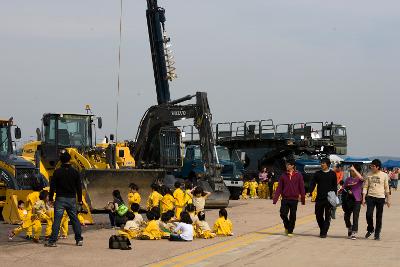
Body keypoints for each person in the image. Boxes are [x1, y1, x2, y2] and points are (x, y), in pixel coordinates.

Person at [45, 150, 83, 247]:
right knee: (74, 219)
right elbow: (79, 187)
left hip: (60, 198)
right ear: (70, 160)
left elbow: (52, 186)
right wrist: (80, 200)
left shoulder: (57, 172)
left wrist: (50, 198)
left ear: (60, 161)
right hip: (71, 199)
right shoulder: (75, 172)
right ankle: (79, 240)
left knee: (57, 220)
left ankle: (53, 241)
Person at [273, 159, 305, 237]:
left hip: (294, 199)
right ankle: (287, 226)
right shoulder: (283, 175)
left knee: (293, 215)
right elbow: (279, 188)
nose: (286, 166)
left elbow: (301, 187)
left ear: (292, 166)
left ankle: (290, 231)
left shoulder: (298, 175)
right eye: (286, 165)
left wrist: (303, 199)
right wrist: (275, 199)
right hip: (285, 198)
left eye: (288, 165)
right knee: (283, 214)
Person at [362, 159, 391, 241]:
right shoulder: (369, 174)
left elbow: (387, 188)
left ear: (378, 167)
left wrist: (388, 199)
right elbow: (365, 187)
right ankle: (370, 228)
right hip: (370, 197)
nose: (371, 167)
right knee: (368, 214)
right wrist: (363, 198)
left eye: (373, 166)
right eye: (371, 166)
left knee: (379, 216)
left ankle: (377, 233)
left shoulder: (384, 175)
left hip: (380, 198)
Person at [309, 157, 337, 238]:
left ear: (328, 164)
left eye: (323, 163)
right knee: (318, 215)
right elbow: (313, 183)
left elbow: (334, 186)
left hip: (329, 199)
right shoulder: (317, 174)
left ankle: (324, 232)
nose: (322, 164)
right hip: (319, 198)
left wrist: (334, 197)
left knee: (327, 216)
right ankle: (322, 229)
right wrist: (310, 191)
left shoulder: (332, 174)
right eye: (321, 163)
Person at [341, 164, 364, 240]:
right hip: (349, 200)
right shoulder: (348, 179)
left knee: (355, 216)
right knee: (346, 216)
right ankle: (349, 227)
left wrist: (354, 169)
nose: (351, 172)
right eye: (350, 171)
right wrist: (346, 190)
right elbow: (344, 188)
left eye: (352, 171)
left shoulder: (359, 179)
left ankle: (354, 232)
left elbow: (362, 178)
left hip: (357, 200)